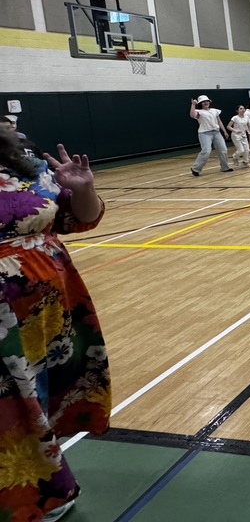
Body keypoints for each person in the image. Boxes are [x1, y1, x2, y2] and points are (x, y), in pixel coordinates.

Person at [0, 133, 111, 522]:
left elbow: (80, 217)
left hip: (49, 308)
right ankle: (35, 495)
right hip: (5, 317)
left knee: (40, 394)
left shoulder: (22, 166)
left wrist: (84, 189)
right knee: (12, 403)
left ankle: (38, 485)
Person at [189, 95, 233, 176]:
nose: (206, 103)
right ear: (201, 103)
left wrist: (225, 132)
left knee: (223, 150)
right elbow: (192, 115)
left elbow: (219, 122)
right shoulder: (199, 112)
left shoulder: (214, 111)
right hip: (204, 133)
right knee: (206, 151)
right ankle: (196, 169)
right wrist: (193, 104)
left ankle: (224, 167)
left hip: (216, 132)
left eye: (207, 101)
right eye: (204, 102)